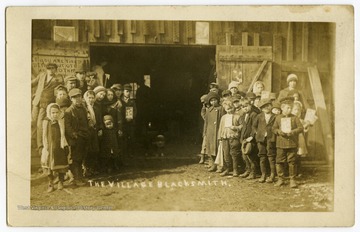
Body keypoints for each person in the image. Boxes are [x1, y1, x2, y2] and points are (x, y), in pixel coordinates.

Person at [272, 97, 304, 188]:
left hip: (292, 143)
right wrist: (279, 131)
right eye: (288, 108)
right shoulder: (278, 118)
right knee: (279, 161)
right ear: (282, 108)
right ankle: (281, 179)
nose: (290, 110)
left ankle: (292, 180)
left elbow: (300, 128)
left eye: (291, 108)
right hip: (281, 143)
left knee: (292, 162)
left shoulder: (295, 118)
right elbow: (273, 128)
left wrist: (293, 132)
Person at [32, 63, 64, 152]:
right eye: (48, 68)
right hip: (36, 102)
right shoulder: (41, 75)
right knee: (33, 122)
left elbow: (61, 89)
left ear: (55, 69)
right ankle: (34, 142)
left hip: (46, 104)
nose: (50, 70)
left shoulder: (58, 79)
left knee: (40, 124)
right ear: (46, 69)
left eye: (53, 68)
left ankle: (40, 146)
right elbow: (33, 83)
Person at [41, 103, 69, 192]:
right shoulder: (46, 121)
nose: (55, 115)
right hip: (50, 146)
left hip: (59, 146)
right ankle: (51, 183)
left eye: (57, 112)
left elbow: (63, 134)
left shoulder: (61, 121)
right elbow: (44, 135)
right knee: (49, 166)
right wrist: (45, 147)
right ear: (49, 112)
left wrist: (64, 144)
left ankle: (61, 181)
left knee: (61, 165)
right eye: (53, 113)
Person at [64, 88, 90, 186]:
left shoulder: (83, 108)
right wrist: (74, 135)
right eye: (75, 97)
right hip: (76, 138)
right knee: (76, 158)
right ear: (71, 99)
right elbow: (68, 126)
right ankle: (76, 178)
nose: (78, 99)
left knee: (82, 157)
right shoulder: (69, 111)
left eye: (79, 96)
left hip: (84, 136)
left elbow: (86, 122)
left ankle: (80, 176)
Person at [252, 98, 276, 183]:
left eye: (268, 106)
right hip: (260, 139)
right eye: (264, 106)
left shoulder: (275, 116)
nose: (266, 108)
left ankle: (272, 175)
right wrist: (257, 133)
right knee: (262, 156)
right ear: (261, 108)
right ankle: (263, 174)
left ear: (271, 106)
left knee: (271, 156)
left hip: (270, 139)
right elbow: (254, 126)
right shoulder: (259, 116)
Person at [217, 100, 242, 177]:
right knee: (226, 154)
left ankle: (235, 169)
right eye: (227, 109)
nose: (229, 110)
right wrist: (219, 137)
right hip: (225, 137)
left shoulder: (238, 116)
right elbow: (221, 128)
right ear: (225, 109)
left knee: (234, 153)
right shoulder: (223, 117)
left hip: (234, 137)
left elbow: (242, 126)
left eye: (231, 108)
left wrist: (236, 127)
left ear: (233, 108)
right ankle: (227, 169)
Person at [204, 91, 224, 172]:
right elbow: (206, 122)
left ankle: (220, 165)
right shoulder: (209, 110)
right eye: (211, 101)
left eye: (215, 100)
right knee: (211, 149)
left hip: (218, 131)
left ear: (218, 100)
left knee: (218, 148)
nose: (213, 102)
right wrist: (205, 132)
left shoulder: (221, 109)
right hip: (210, 132)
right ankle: (213, 164)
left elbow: (223, 120)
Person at [238, 98, 258, 179]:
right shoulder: (243, 116)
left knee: (251, 156)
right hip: (244, 138)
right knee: (244, 156)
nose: (245, 108)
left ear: (250, 105)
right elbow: (243, 127)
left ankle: (253, 172)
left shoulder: (254, 115)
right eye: (243, 107)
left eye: (246, 106)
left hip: (250, 139)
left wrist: (252, 136)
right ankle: (248, 170)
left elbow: (255, 127)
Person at [83, 90, 100, 176]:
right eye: (89, 98)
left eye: (92, 98)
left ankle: (92, 168)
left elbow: (99, 119)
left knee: (95, 149)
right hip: (87, 131)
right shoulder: (84, 108)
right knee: (87, 150)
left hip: (95, 131)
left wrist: (100, 128)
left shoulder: (96, 108)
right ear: (86, 98)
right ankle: (86, 169)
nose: (91, 99)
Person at [291, 100, 310, 177]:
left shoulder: (301, 120)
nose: (296, 111)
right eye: (295, 109)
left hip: (299, 138)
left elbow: (305, 130)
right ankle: (292, 171)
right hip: (292, 138)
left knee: (298, 155)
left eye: (298, 110)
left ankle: (298, 171)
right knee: (292, 154)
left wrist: (307, 125)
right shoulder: (290, 119)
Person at [121, 84, 137, 158]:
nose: (128, 93)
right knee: (123, 138)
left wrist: (131, 117)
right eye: (127, 91)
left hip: (130, 123)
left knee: (131, 137)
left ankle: (130, 153)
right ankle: (124, 153)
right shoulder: (120, 101)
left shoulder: (132, 102)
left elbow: (135, 111)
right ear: (123, 92)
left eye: (129, 92)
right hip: (122, 123)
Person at [198, 94, 208, 164]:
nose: (204, 104)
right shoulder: (204, 109)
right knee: (204, 143)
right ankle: (203, 157)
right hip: (207, 127)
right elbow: (204, 117)